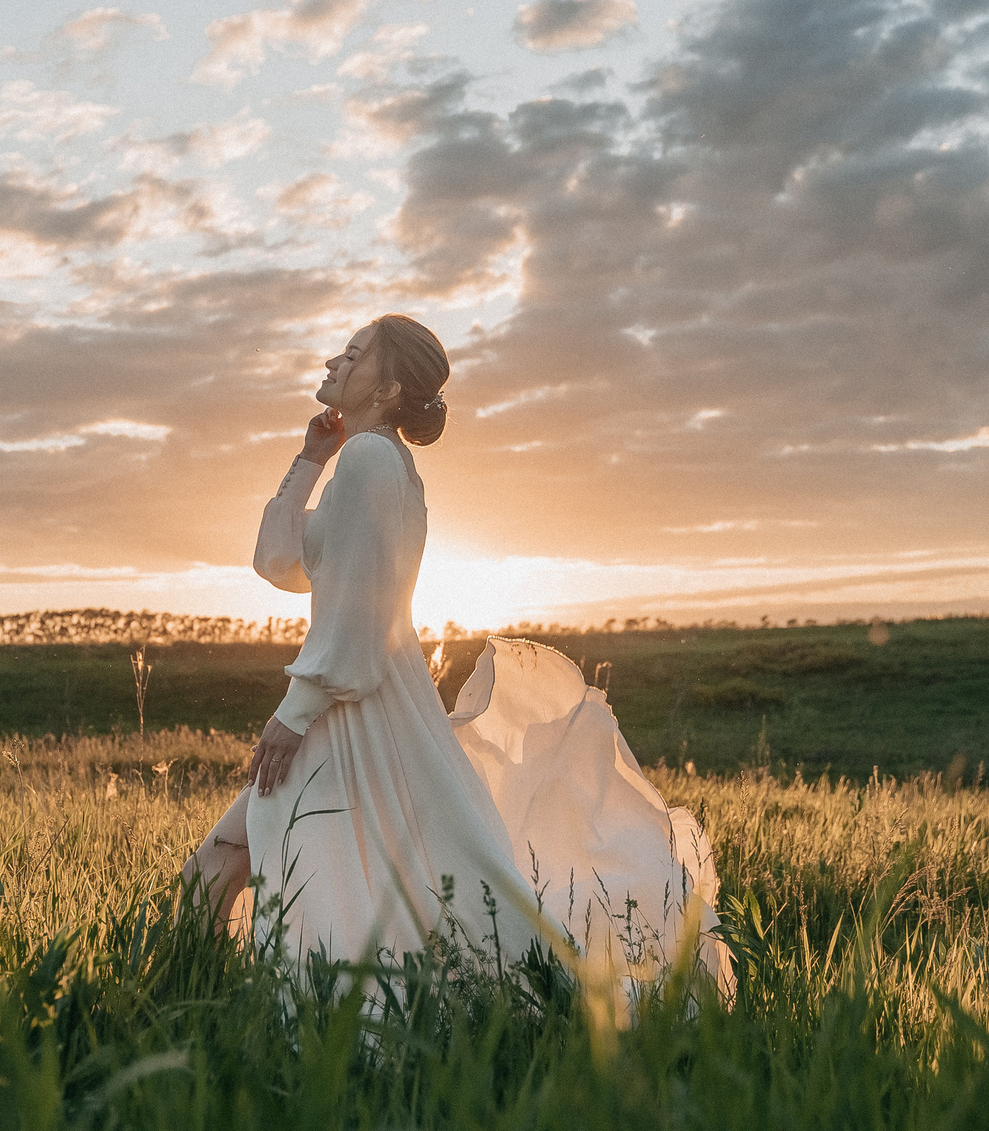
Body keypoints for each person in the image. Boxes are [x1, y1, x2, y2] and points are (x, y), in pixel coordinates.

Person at [185, 314, 732, 994]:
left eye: (352, 355)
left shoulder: (371, 462)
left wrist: (296, 712)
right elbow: (280, 560)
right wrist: (309, 458)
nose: (332, 361)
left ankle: (203, 994)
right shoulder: (372, 462)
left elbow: (362, 609)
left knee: (225, 862)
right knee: (242, 862)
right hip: (366, 697)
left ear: (385, 390)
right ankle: (214, 991)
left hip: (347, 706)